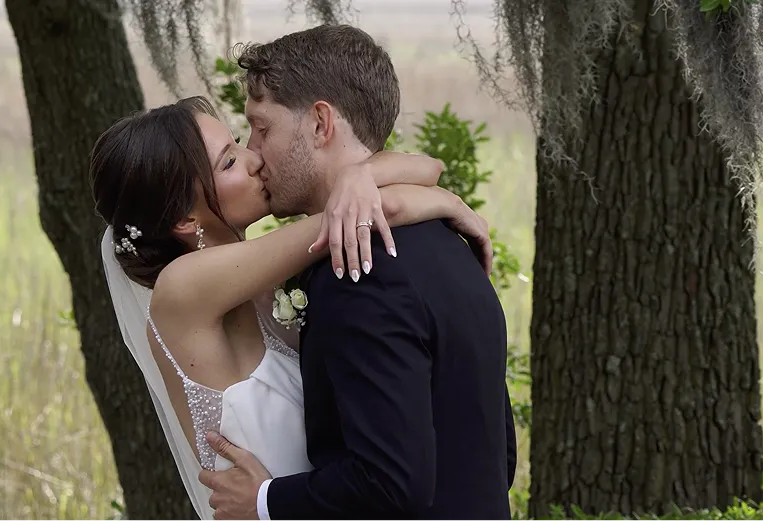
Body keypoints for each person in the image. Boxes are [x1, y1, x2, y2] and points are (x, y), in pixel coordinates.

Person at [91, 95, 493, 521]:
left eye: (239, 143)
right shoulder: (182, 290)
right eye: (228, 163)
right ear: (185, 221)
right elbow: (382, 207)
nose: (253, 160)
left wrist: (356, 179)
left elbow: (427, 167)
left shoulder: (263, 288)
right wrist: (449, 204)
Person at [198, 25, 516, 521]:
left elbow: (390, 482)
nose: (255, 153)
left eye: (262, 128)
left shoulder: (360, 268)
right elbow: (498, 456)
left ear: (320, 124)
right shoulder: (444, 237)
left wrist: (263, 502)